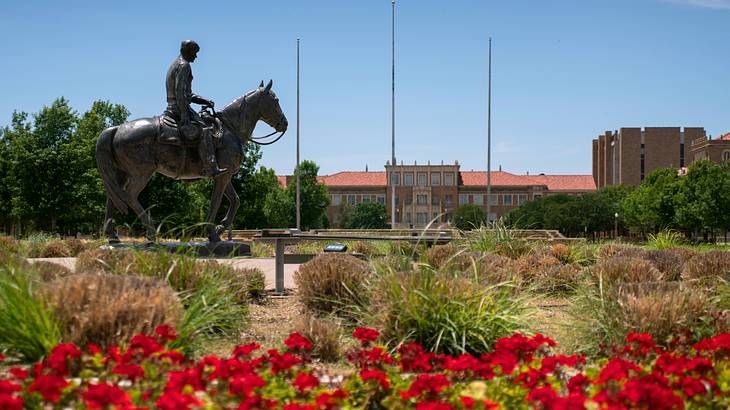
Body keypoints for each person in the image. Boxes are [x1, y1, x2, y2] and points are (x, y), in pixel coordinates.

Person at [165, 40, 227, 177]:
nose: (196, 56)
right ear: (187, 51)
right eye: (195, 53)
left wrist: (204, 101)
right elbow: (179, 92)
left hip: (175, 105)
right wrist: (184, 115)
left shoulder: (176, 64)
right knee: (205, 129)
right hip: (179, 108)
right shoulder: (184, 65)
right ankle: (210, 166)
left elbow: (187, 94)